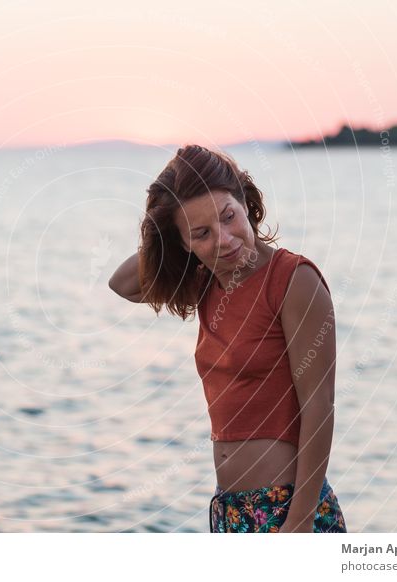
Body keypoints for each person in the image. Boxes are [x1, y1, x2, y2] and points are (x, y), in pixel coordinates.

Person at [108, 145, 347, 533]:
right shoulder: (207, 284)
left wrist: (300, 520)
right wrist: (166, 232)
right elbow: (123, 285)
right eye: (202, 233)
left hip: (285, 509)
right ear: (183, 243)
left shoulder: (293, 281)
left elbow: (320, 407)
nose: (224, 240)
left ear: (244, 200)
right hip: (229, 510)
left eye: (228, 217)